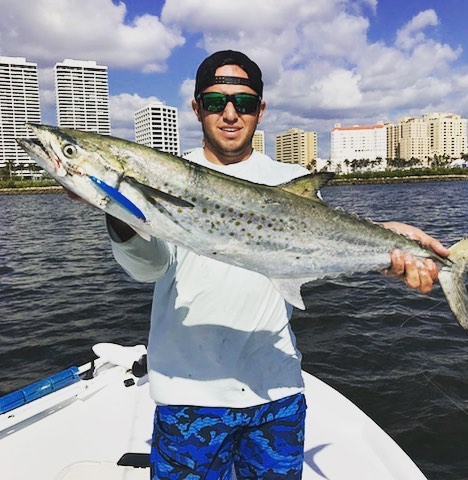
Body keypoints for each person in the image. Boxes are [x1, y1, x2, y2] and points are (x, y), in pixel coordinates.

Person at [106, 50, 450, 480]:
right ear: (196, 108)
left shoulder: (289, 180)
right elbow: (148, 268)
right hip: (188, 395)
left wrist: (388, 249)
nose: (230, 114)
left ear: (260, 110)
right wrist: (118, 213)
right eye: (215, 102)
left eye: (244, 103)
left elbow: (322, 249)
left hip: (277, 391)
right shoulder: (166, 175)